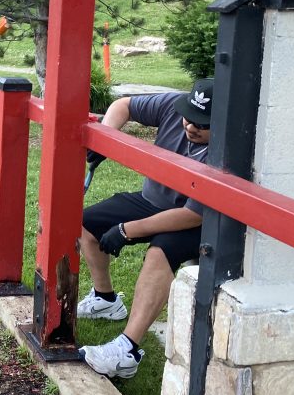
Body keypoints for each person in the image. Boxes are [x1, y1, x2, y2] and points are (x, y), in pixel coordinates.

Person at [78, 78, 214, 378]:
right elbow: (122, 105)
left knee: (160, 252)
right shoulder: (170, 105)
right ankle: (106, 299)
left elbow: (193, 216)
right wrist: (106, 138)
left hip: (192, 219)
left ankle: (127, 350)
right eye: (188, 118)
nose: (191, 127)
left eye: (202, 124)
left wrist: (128, 230)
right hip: (152, 200)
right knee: (87, 223)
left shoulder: (226, 152)